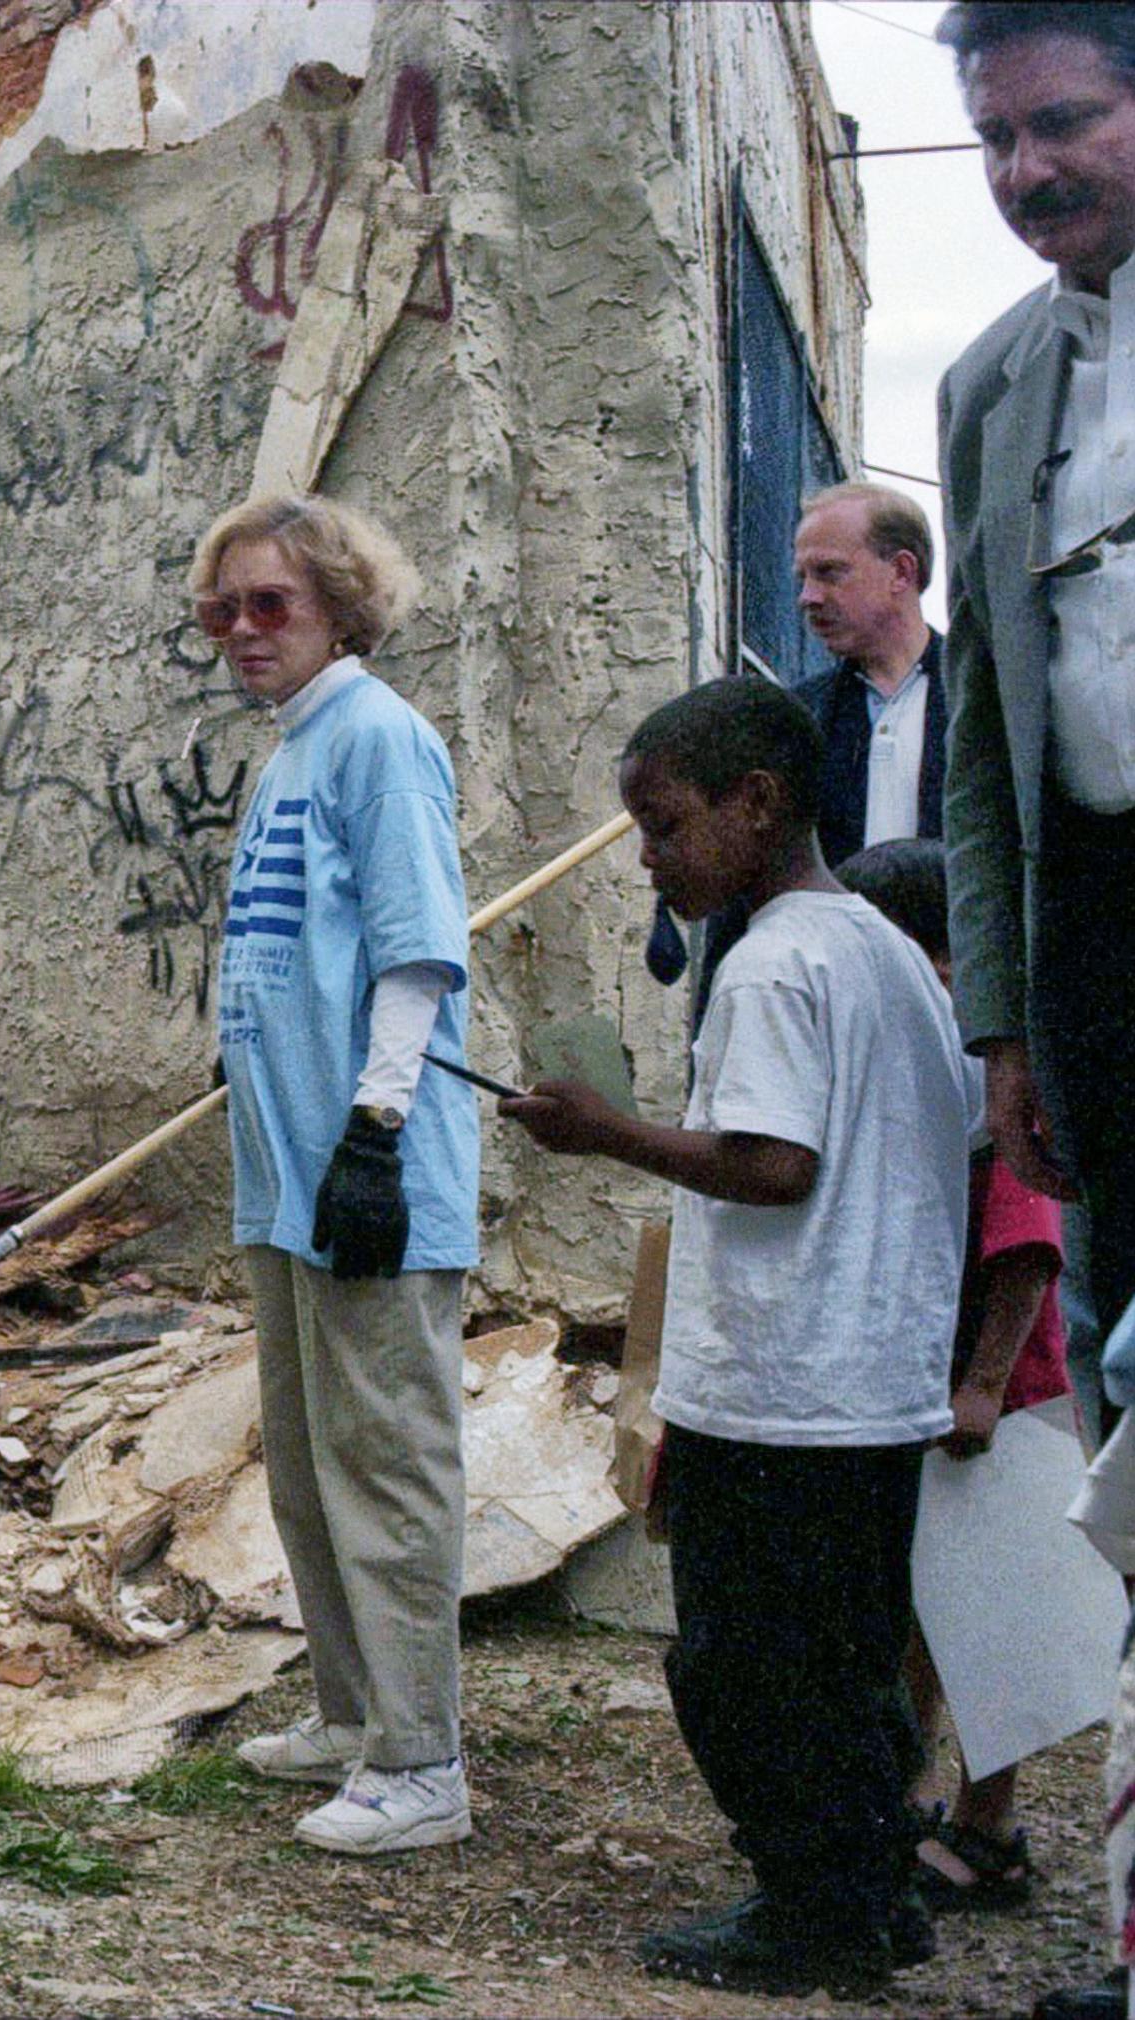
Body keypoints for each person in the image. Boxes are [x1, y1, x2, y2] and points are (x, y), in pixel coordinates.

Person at [504, 677, 976, 1994]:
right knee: (845, 1664)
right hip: (870, 1387)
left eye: (663, 826)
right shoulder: (880, 948)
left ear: (755, 803)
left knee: (745, 1670)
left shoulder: (773, 961)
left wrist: (601, 1129)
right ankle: (871, 1893)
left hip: (781, 1389)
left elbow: (775, 1166)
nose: (649, 859)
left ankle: (812, 1910)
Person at [190, 495, 477, 1857]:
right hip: (282, 1169)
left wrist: (374, 1132)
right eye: (224, 609)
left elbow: (419, 954)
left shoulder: (380, 743)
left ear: (342, 609)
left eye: (272, 605)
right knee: (309, 1465)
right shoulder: (290, 752)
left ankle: (423, 1761)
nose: (244, 631)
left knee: (387, 1463)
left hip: (368, 1169)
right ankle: (351, 1712)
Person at [934, 1, 1135, 1436]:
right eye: (996, 136)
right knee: (1120, 1344)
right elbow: (985, 744)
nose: (1023, 171)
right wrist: (1005, 1031)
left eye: (1063, 122)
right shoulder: (990, 388)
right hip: (1098, 941)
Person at [834, 839, 1069, 1916]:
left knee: (996, 1623)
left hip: (1005, 1398)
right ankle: (910, 1796)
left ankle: (990, 1827)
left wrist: (981, 1384)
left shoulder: (992, 1080)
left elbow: (1025, 1245)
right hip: (928, 1392)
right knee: (926, 1608)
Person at [793, 484, 947, 862]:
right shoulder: (799, 716)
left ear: (901, 571)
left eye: (829, 572)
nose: (807, 597)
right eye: (804, 577)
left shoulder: (985, 700)